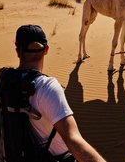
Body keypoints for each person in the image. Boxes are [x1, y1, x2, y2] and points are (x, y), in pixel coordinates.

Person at [14, 24, 105, 162]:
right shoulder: (47, 88)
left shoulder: (2, 85)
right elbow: (74, 141)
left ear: (18, 51)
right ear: (46, 50)